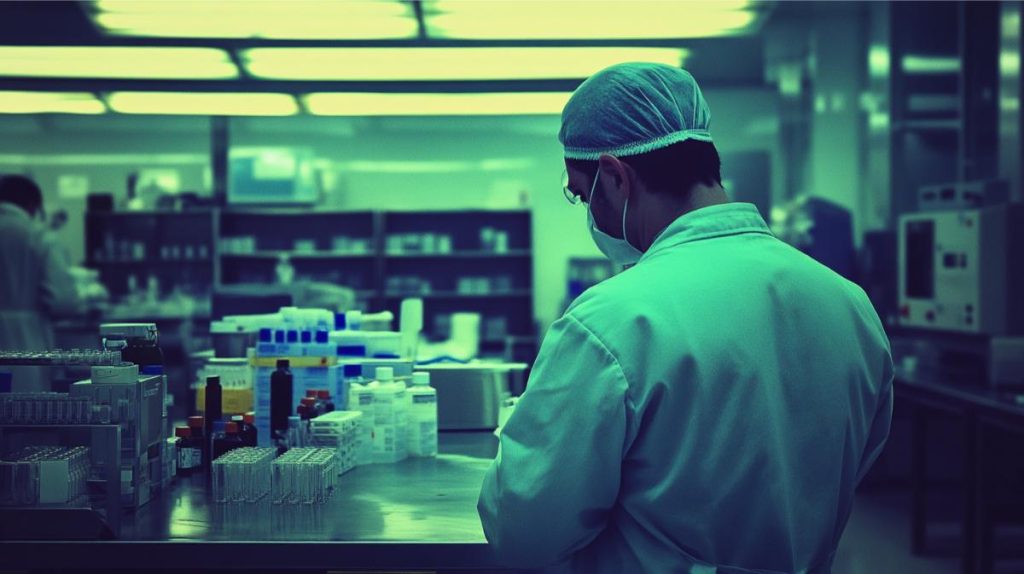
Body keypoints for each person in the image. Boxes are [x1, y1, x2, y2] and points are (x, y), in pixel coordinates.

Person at [478, 63, 893, 573]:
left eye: (584, 195)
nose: (591, 215)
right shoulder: (849, 305)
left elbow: (525, 530)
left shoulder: (612, 322)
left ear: (614, 175)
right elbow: (855, 466)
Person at [0, 174, 82, 391]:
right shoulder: (38, 236)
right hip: (23, 342)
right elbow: (64, 302)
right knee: (22, 412)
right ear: (33, 205)